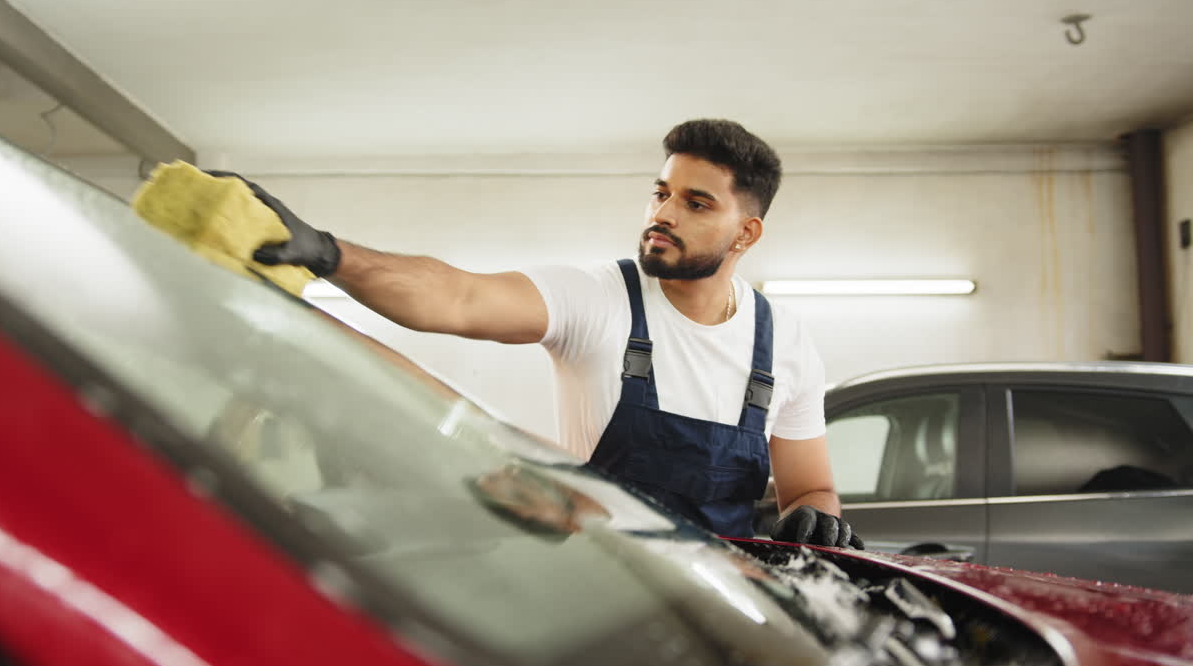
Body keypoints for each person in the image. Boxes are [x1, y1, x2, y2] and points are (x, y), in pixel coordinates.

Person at [214, 119, 861, 548]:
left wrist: (818, 518)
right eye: (660, 192)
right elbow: (459, 297)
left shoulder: (785, 344)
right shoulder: (602, 299)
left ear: (746, 233)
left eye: (696, 204)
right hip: (606, 588)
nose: (662, 214)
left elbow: (808, 487)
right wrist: (329, 253)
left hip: (733, 610)